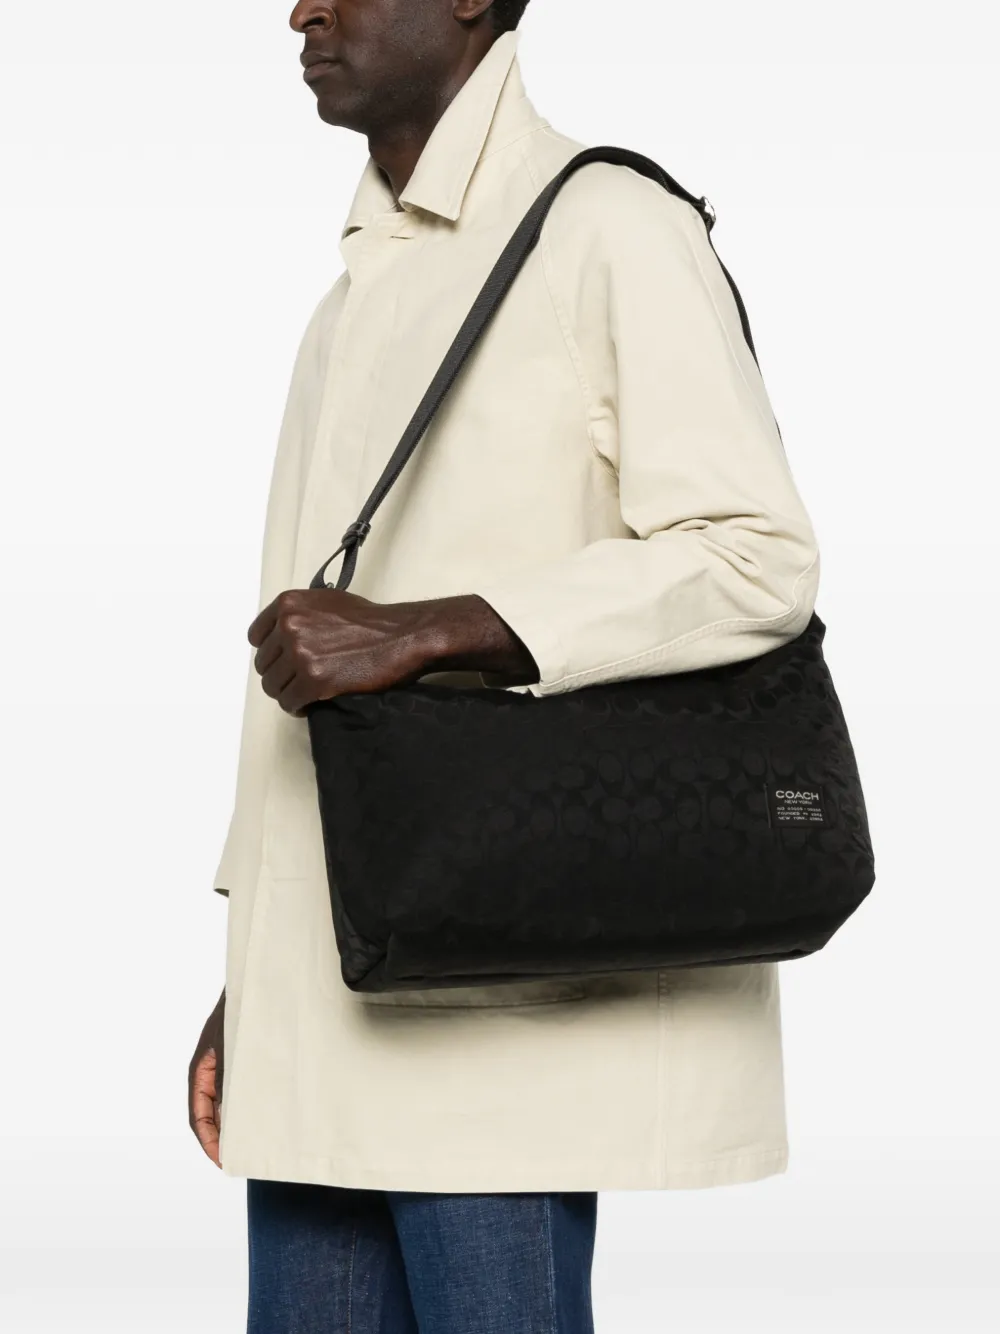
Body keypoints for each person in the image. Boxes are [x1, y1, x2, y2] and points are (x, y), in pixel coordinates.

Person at [188, 2, 821, 1329]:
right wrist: (259, 972)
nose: (303, 8)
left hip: (495, 998)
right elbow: (305, 695)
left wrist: (431, 627)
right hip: (334, 994)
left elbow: (756, 558)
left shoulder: (607, 226)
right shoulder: (353, 293)